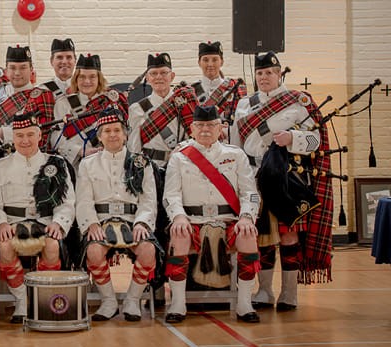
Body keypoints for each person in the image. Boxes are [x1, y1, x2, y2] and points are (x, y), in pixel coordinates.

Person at [231, 51, 333, 311]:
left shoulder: (297, 102)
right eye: (260, 73)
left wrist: (292, 138)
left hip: (286, 177)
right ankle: (264, 291)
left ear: (279, 74)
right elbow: (236, 142)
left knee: (288, 237)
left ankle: (289, 294)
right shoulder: (245, 104)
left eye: (269, 73)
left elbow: (316, 140)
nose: (264, 77)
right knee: (262, 236)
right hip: (254, 177)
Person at [162, 106, 261, 324]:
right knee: (178, 236)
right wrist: (178, 217)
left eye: (211, 125)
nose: (205, 129)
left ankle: (245, 304)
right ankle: (178, 303)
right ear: (191, 128)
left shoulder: (236, 155)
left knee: (247, 235)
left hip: (228, 220)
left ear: (221, 128)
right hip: (193, 220)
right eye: (200, 125)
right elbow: (171, 194)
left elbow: (250, 193)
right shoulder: (179, 157)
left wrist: (246, 217)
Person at [0, 112, 75, 323]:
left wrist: (58, 224)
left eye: (30, 135)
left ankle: (41, 298)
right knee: (5, 247)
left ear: (39, 136)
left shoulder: (57, 164)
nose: (25, 140)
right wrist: (1, 223)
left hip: (45, 222)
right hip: (13, 223)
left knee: (52, 246)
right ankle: (22, 301)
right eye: (19, 135)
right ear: (12, 138)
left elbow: (67, 202)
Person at [76, 110, 158, 322]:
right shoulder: (87, 164)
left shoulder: (141, 162)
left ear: (125, 134)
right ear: (100, 136)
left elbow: (149, 199)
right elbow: (83, 200)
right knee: (94, 251)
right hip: (101, 220)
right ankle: (109, 301)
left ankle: (133, 300)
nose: (112, 135)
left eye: (116, 130)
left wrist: (142, 223)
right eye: (107, 131)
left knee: (148, 250)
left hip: (132, 220)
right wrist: (91, 224)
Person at [50, 53, 129, 168]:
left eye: (92, 77)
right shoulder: (63, 104)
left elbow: (125, 133)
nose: (87, 81)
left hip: (110, 163)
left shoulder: (111, 102)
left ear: (99, 79)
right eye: (82, 77)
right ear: (76, 79)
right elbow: (55, 136)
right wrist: (80, 151)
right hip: (76, 166)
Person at [127, 53, 186, 168]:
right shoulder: (137, 109)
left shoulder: (185, 103)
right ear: (148, 78)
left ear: (172, 76)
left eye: (164, 73)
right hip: (151, 168)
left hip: (182, 166)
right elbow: (134, 146)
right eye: (153, 73)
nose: (159, 77)